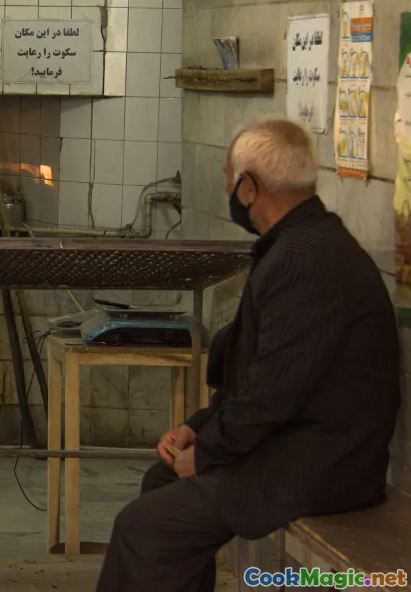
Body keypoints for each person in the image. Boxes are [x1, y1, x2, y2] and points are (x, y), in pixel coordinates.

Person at [96, 117, 401, 592]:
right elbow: (260, 373)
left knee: (144, 530)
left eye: (227, 179)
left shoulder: (306, 260)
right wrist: (198, 427)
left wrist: (209, 452)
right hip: (296, 445)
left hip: (321, 465)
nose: (226, 188)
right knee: (160, 483)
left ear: (249, 187)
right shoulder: (301, 244)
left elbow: (269, 396)